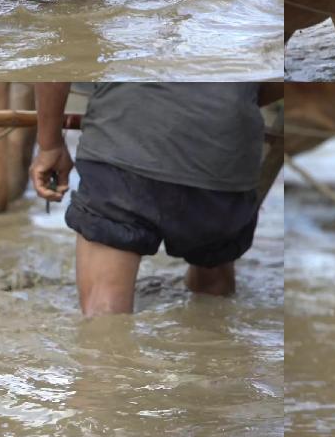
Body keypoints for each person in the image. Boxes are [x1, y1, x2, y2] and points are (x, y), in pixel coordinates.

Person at [30, 83, 282, 316]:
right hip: (224, 150)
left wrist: (49, 145)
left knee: (104, 316)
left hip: (123, 147)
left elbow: (51, 69)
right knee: (213, 292)